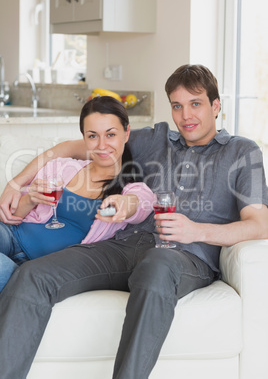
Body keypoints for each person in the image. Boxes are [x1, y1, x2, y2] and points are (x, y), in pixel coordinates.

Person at [0, 64, 268, 379]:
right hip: (122, 244)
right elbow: (70, 148)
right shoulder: (155, 140)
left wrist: (197, 230)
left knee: (157, 265)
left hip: (185, 256)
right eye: (177, 106)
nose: (185, 115)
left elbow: (260, 224)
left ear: (216, 106)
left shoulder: (242, 152)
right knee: (33, 275)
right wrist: (16, 183)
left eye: (195, 104)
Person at [0, 95, 154, 291]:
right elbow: (11, 217)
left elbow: (142, 202)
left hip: (34, 267)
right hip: (11, 235)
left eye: (110, 134)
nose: (101, 145)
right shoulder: (62, 168)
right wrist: (29, 199)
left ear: (126, 133)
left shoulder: (129, 189)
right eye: (92, 136)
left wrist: (126, 204)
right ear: (84, 139)